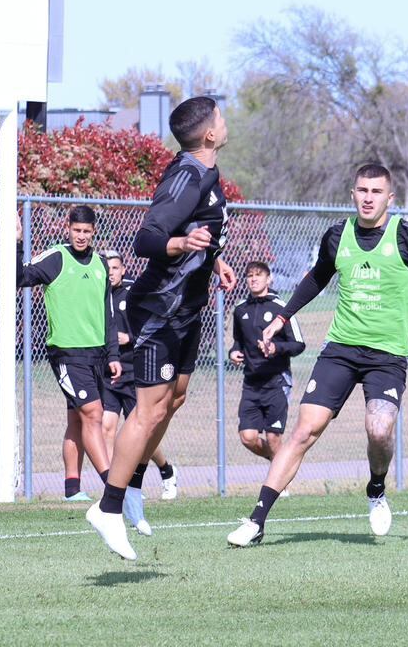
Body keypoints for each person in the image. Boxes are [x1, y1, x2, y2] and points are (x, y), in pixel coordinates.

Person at [227, 162, 408, 547]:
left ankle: (375, 489)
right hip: (340, 350)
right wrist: (283, 316)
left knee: (380, 427)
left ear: (390, 197)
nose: (368, 198)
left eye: (376, 192)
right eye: (362, 190)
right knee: (303, 431)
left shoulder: (407, 237)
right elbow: (318, 277)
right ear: (352, 194)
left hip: (387, 355)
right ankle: (256, 521)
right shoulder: (338, 236)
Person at [87, 96, 237, 560]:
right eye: (220, 117)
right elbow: (147, 238)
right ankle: (108, 508)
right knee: (148, 410)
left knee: (176, 396)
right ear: (209, 134)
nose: (225, 121)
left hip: (187, 309)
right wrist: (179, 242)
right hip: (159, 311)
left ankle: (130, 486)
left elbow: (199, 230)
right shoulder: (186, 175)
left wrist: (215, 260)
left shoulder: (205, 174)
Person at [16, 205, 121, 504]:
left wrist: (113, 354)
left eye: (87, 231)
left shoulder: (101, 264)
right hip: (66, 353)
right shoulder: (57, 257)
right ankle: (114, 487)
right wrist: (18, 242)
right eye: (77, 230)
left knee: (78, 420)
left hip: (97, 355)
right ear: (68, 228)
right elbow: (19, 277)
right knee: (93, 414)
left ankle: (72, 489)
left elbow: (108, 314)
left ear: (94, 231)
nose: (81, 236)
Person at [101, 251, 178, 500]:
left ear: (123, 270)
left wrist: (130, 339)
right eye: (107, 268)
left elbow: (152, 325)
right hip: (110, 371)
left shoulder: (135, 292)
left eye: (115, 267)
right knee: (107, 427)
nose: (111, 272)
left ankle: (166, 469)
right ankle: (119, 487)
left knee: (142, 431)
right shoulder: (99, 294)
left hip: (135, 371)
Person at [230, 261, 305, 475]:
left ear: (269, 278)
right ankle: (280, 463)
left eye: (258, 275)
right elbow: (238, 342)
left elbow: (298, 344)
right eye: (249, 275)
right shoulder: (240, 309)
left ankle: (279, 475)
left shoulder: (281, 307)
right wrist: (233, 353)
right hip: (251, 384)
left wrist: (275, 348)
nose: (253, 279)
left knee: (273, 437)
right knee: (248, 437)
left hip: (277, 381)